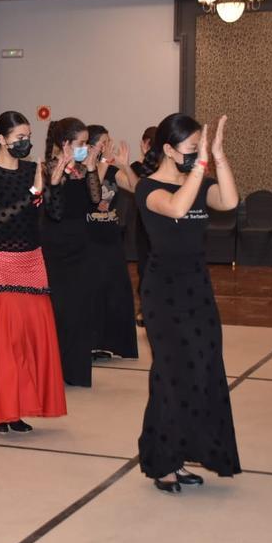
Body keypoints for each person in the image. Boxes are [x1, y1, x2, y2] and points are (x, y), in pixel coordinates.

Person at [135, 113, 241, 493]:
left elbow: (228, 201)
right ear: (168, 148)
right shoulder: (149, 188)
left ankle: (182, 454)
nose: (196, 154)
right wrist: (199, 167)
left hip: (198, 287)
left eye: (198, 147)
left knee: (203, 369)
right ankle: (161, 461)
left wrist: (218, 155)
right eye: (190, 147)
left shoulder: (199, 180)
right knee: (171, 374)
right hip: (164, 292)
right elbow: (178, 208)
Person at [0, 111, 67, 434]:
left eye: (28, 137)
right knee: (5, 342)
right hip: (0, 260)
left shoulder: (32, 171)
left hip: (32, 261)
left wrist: (52, 183)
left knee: (30, 341)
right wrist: (33, 193)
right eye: (19, 138)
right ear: (1, 139)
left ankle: (18, 408)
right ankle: (1, 411)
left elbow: (54, 213)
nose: (25, 143)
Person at [41, 118, 104, 387]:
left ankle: (76, 370)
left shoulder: (82, 169)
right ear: (65, 144)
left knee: (80, 307)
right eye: (81, 143)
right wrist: (61, 176)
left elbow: (94, 199)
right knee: (60, 308)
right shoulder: (46, 170)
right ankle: (54, 369)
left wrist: (91, 169)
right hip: (56, 246)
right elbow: (53, 211)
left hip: (82, 242)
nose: (85, 148)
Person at [84, 125, 139, 361]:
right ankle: (91, 344)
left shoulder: (112, 172)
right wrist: (103, 160)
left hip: (111, 238)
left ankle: (115, 343)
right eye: (104, 142)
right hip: (88, 239)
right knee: (92, 292)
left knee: (117, 290)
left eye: (109, 141)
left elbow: (138, 189)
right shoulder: (79, 170)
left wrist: (125, 165)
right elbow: (90, 192)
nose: (109, 145)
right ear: (91, 146)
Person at [131, 126, 156, 327]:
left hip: (155, 225)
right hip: (144, 225)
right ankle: (145, 308)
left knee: (151, 267)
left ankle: (151, 309)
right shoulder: (137, 168)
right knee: (145, 267)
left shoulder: (164, 170)